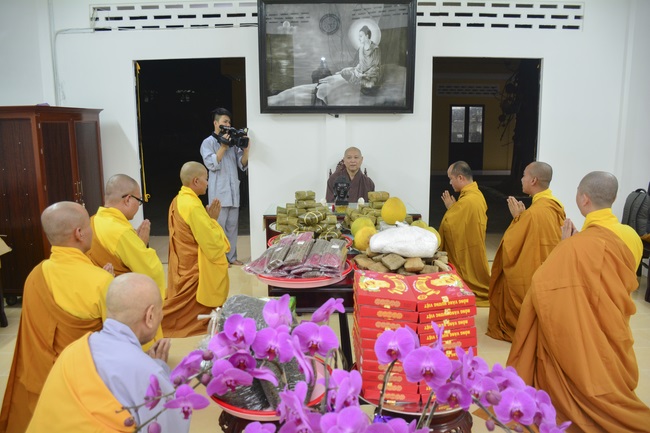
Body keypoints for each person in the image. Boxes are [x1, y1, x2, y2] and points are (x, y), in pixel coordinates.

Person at [507, 171, 650, 432]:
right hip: (614, 324)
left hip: (582, 333)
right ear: (613, 197)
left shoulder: (577, 244)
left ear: (584, 199)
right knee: (607, 362)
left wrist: (564, 248)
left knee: (581, 360)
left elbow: (545, 286)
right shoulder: (629, 235)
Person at [0, 201, 113, 433]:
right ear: (79, 233)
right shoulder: (101, 282)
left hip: (40, 382)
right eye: (89, 226)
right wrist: (107, 286)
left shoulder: (35, 276)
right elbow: (115, 341)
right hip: (82, 386)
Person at [27, 273, 188, 433]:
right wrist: (159, 371)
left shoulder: (72, 350)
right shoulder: (149, 375)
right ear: (150, 316)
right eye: (161, 311)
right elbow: (172, 426)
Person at [486, 162, 565, 342]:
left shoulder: (534, 213)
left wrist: (518, 220)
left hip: (533, 273)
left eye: (524, 175)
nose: (521, 179)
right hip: (549, 270)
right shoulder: (555, 205)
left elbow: (511, 245)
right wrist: (522, 219)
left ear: (534, 180)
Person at [86, 174, 167, 349]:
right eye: (139, 201)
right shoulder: (120, 231)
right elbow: (151, 271)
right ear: (128, 199)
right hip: (124, 302)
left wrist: (135, 245)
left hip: (101, 299)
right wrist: (141, 246)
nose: (139, 206)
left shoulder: (94, 221)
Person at [162, 161, 230, 337]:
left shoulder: (178, 199)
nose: (208, 183)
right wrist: (213, 220)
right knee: (181, 315)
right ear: (196, 181)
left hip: (182, 264)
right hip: (194, 269)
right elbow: (213, 245)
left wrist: (207, 220)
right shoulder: (192, 205)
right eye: (206, 179)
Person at [200, 107, 250, 266]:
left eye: (229, 122)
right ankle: (220, 258)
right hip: (218, 193)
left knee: (232, 227)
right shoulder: (208, 143)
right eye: (225, 121)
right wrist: (223, 147)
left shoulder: (233, 143)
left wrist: (246, 150)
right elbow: (211, 164)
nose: (228, 124)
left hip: (233, 192)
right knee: (218, 228)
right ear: (216, 123)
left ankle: (232, 257)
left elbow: (242, 164)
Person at [438, 161, 490, 307]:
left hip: (468, 248)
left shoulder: (468, 200)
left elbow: (449, 224)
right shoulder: (476, 194)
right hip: (474, 245)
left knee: (469, 272)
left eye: (451, 178)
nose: (450, 182)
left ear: (460, 177)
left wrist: (451, 208)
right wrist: (454, 208)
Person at [338, 25, 382, 94]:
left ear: (367, 36)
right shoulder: (361, 48)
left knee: (371, 84)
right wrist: (356, 71)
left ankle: (360, 83)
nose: (359, 38)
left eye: (361, 36)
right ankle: (361, 83)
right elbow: (360, 64)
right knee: (344, 71)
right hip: (361, 72)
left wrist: (364, 75)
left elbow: (375, 66)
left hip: (371, 74)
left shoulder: (375, 49)